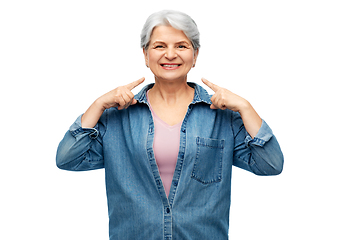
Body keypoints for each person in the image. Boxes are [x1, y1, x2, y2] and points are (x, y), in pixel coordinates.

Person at [56, 9, 284, 240]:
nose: (170, 54)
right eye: (159, 46)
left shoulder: (222, 117)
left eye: (182, 46)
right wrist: (97, 106)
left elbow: (270, 164)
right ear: (145, 55)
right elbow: (68, 159)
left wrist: (246, 107)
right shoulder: (116, 118)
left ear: (195, 55)